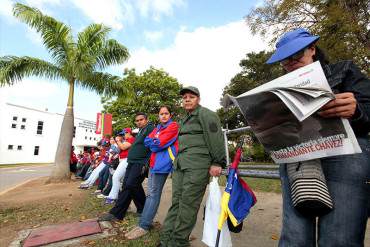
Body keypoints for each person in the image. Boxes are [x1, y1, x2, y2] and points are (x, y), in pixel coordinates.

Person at [266, 28, 370, 246]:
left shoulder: (345, 70)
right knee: (295, 237)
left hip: (346, 153)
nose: (291, 62)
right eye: (285, 60)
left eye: (296, 55)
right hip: (298, 157)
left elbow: (367, 108)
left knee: (340, 236)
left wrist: (357, 109)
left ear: (312, 49)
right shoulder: (279, 89)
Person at [159, 86, 226, 247]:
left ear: (199, 99)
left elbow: (215, 139)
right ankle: (166, 239)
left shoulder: (206, 114)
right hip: (181, 165)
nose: (187, 99)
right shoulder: (185, 118)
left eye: (191, 96)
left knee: (188, 204)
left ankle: (178, 242)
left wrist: (217, 162)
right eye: (184, 97)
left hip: (197, 165)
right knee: (177, 202)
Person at [125, 106, 179, 240]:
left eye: (166, 113)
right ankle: (143, 223)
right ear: (158, 116)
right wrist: (154, 141)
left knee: (153, 194)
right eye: (161, 114)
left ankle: (144, 225)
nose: (164, 116)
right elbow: (147, 141)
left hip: (163, 164)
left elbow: (157, 144)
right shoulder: (158, 128)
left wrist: (154, 142)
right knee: (150, 194)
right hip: (154, 164)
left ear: (170, 115)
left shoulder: (173, 126)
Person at [98, 112, 155, 221]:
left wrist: (147, 162)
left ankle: (138, 209)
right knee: (127, 186)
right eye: (137, 120)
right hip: (132, 161)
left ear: (146, 119)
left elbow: (153, 144)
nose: (139, 122)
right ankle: (120, 213)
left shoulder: (150, 128)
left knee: (131, 184)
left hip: (141, 162)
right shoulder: (140, 131)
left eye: (141, 119)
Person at [102, 128, 135, 204]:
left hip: (126, 160)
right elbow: (118, 150)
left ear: (128, 133)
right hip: (122, 160)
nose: (123, 135)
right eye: (122, 134)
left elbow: (123, 147)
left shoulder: (131, 139)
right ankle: (118, 197)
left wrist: (118, 140)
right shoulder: (125, 140)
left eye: (124, 134)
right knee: (121, 180)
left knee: (116, 177)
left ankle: (113, 197)